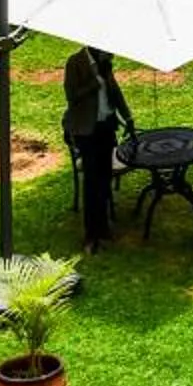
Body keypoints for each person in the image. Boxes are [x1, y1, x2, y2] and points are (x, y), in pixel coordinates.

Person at [63, 47, 134, 250]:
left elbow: (114, 90)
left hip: (106, 127)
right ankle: (90, 233)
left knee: (104, 180)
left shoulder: (104, 63)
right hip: (87, 131)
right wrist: (95, 81)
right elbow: (72, 96)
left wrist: (127, 117)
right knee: (92, 183)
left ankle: (103, 227)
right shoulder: (75, 62)